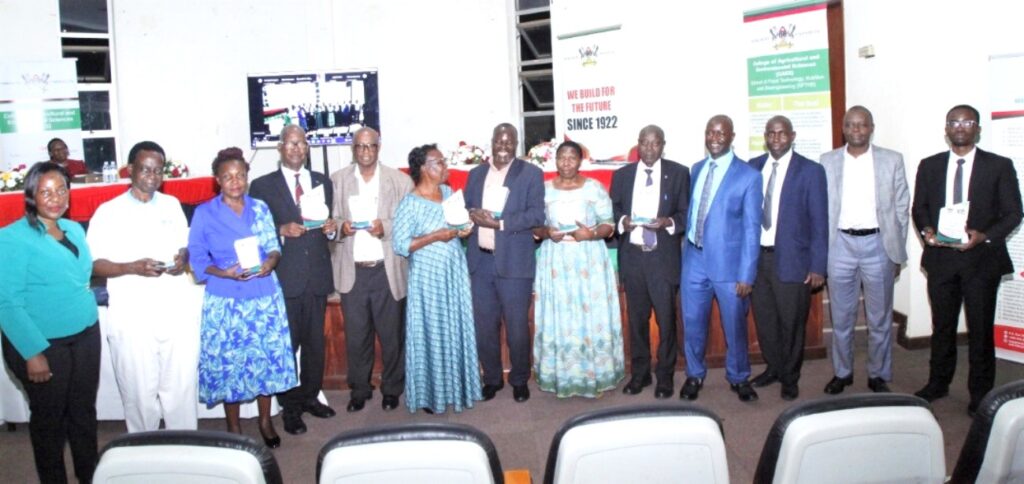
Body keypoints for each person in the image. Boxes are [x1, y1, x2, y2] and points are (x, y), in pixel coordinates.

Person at [912, 104, 1023, 416]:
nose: (960, 127)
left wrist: (984, 235)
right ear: (946, 129)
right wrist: (927, 231)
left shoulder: (998, 166)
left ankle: (981, 394)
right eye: (954, 122)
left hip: (981, 260)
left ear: (978, 129)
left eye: (967, 121)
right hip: (941, 259)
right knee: (942, 326)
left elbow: (1014, 212)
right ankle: (938, 383)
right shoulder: (930, 165)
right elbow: (919, 208)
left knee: (980, 330)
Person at [87, 141, 201, 432]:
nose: (152, 175)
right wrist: (131, 268)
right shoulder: (108, 211)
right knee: (139, 395)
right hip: (132, 315)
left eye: (158, 170)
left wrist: (183, 258)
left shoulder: (172, 205)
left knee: (181, 389)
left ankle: (186, 450)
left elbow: (186, 246)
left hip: (175, 310)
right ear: (130, 170)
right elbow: (93, 264)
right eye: (145, 169)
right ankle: (144, 453)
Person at [187, 147, 297, 448]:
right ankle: (234, 425)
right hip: (226, 299)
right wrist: (224, 273)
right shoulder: (205, 213)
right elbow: (196, 259)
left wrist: (270, 263)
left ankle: (265, 419)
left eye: (240, 175)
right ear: (217, 180)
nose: (235, 182)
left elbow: (274, 247)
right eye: (227, 177)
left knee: (264, 358)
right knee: (230, 363)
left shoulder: (260, 208)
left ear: (247, 177)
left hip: (263, 294)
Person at [0, 162, 100, 483]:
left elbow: (78, 279)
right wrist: (32, 352)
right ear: (31, 196)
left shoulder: (74, 229)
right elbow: (7, 302)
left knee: (84, 415)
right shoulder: (13, 237)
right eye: (45, 192)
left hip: (84, 334)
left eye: (61, 190)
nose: (55, 198)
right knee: (49, 422)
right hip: (42, 344)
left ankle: (89, 475)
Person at [249, 125, 338, 434]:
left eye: (301, 143)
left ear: (307, 147)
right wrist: (280, 230)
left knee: (316, 344)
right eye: (290, 143)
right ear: (280, 148)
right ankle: (290, 408)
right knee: (288, 346)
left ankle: (311, 396)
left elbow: (332, 224)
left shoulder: (323, 182)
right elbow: (254, 233)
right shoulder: (261, 186)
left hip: (316, 276)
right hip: (284, 278)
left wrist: (331, 229)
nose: (296, 148)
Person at [821, 106, 910, 395]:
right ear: (843, 129)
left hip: (878, 246)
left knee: (879, 318)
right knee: (842, 316)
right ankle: (842, 373)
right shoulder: (827, 161)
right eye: (850, 125)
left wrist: (896, 251)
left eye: (862, 125)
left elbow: (901, 209)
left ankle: (878, 374)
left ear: (872, 127)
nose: (856, 130)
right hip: (840, 245)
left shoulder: (892, 160)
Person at [392, 144, 481, 413]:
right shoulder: (410, 203)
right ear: (422, 168)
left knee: (456, 326)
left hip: (453, 270)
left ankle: (459, 388)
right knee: (431, 332)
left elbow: (458, 225)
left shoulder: (448, 192)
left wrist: (463, 230)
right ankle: (432, 394)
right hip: (428, 278)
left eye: (444, 161)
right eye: (438, 162)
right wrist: (435, 236)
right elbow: (400, 244)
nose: (444, 167)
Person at [680, 114, 763, 402]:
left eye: (720, 133)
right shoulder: (697, 168)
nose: (714, 138)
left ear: (731, 137)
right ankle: (694, 374)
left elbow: (752, 228)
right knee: (692, 322)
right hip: (694, 258)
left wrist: (747, 274)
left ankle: (739, 377)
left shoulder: (749, 176)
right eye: (710, 132)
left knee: (734, 325)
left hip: (729, 266)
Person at [330, 127, 412, 412]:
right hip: (353, 271)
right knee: (357, 337)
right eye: (360, 147)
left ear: (379, 147)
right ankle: (360, 389)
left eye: (370, 146)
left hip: (387, 270)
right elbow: (330, 220)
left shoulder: (399, 181)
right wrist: (342, 226)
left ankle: (392, 389)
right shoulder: (337, 180)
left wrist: (384, 227)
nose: (365, 152)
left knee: (392, 337)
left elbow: (407, 222)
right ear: (353, 149)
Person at [534, 141, 624, 398]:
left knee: (589, 316)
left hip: (589, 260)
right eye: (561, 158)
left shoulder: (594, 188)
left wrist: (592, 233)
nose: (566, 162)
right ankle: (561, 375)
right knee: (559, 316)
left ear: (580, 161)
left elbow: (609, 224)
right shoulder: (544, 190)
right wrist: (546, 232)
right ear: (555, 161)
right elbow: (535, 227)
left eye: (571, 158)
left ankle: (595, 374)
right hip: (556, 261)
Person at [748, 116, 827, 401]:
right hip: (758, 260)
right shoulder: (752, 168)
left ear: (792, 136)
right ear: (765, 137)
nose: (776, 138)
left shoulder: (811, 171)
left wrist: (818, 266)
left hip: (794, 260)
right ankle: (774, 368)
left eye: (782, 133)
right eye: (771, 133)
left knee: (792, 323)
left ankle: (790, 377)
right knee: (765, 321)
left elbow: (820, 222)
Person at [465, 122, 545, 403]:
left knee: (517, 327)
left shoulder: (531, 174)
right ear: (491, 142)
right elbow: (466, 210)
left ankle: (520, 379)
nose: (503, 147)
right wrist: (467, 218)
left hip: (515, 264)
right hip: (480, 262)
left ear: (516, 144)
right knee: (485, 326)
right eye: (498, 141)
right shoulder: (475, 175)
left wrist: (499, 223)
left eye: (508, 142)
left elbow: (537, 216)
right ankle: (492, 379)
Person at [609, 125, 689, 398]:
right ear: (638, 144)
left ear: (663, 145)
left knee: (667, 321)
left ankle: (665, 377)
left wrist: (668, 222)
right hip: (633, 259)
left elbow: (685, 214)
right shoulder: (622, 175)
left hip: (662, 259)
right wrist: (623, 221)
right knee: (636, 320)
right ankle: (640, 375)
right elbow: (614, 209)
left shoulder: (678, 173)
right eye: (645, 142)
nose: (650, 148)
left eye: (655, 143)